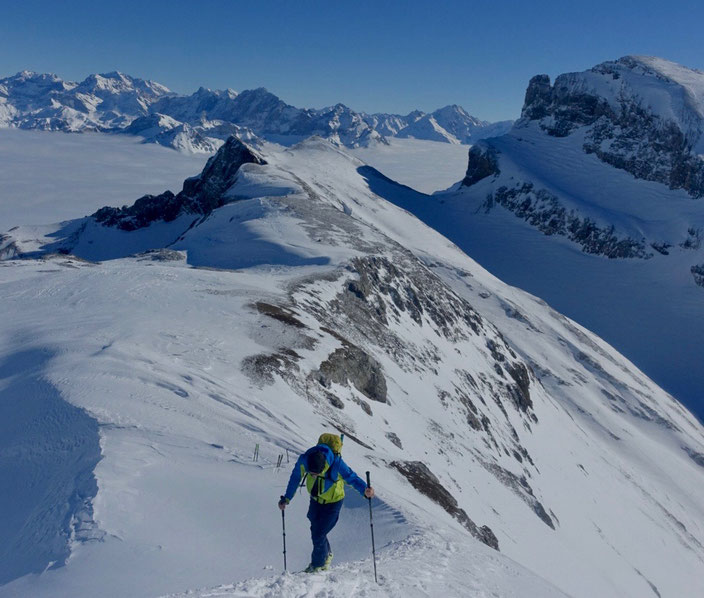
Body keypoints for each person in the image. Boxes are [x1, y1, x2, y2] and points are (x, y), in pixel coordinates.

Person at [279, 437, 375, 573]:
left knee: (319, 533)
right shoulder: (304, 460)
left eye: (315, 474)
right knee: (315, 530)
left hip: (334, 502)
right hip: (316, 499)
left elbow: (352, 478)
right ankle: (327, 554)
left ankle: (317, 566)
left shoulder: (337, 464)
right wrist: (287, 498)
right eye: (310, 474)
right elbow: (295, 478)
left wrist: (365, 490)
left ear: (323, 467)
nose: (312, 476)